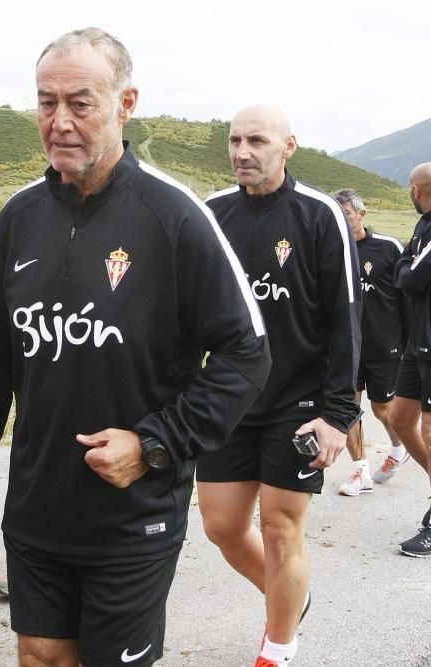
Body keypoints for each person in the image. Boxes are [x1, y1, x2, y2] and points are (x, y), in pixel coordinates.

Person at [0, 28, 270, 667]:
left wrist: (154, 444)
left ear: (125, 104)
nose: (59, 121)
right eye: (45, 102)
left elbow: (245, 352)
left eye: (81, 102)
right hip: (38, 504)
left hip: (132, 513)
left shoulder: (175, 216)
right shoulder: (19, 216)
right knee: (37, 653)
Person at [197, 104, 361, 666]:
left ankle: (278, 646)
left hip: (300, 400)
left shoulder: (320, 214)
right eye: (235, 140)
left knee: (280, 529)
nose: (243, 152)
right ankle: (290, 596)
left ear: (287, 146)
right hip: (229, 398)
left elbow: (345, 315)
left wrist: (339, 414)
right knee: (221, 527)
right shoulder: (212, 212)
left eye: (257, 141)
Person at [332, 188, 407, 494]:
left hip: (385, 345)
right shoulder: (333, 249)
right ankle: (360, 471)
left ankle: (399, 447)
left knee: (384, 411)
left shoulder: (387, 247)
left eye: (346, 213)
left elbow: (409, 294)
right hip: (348, 347)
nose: (342, 219)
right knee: (348, 408)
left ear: (361, 215)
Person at [389, 162, 431, 557]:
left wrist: (404, 263)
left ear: (418, 190)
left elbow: (409, 278)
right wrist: (406, 262)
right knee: (399, 420)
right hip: (416, 344)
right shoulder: (423, 226)